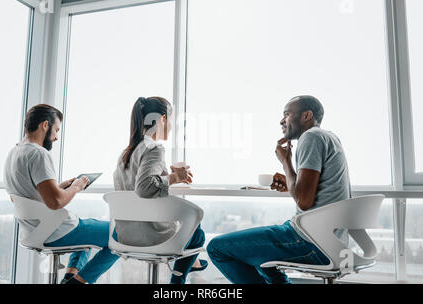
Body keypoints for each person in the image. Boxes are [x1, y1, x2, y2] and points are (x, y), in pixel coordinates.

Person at [206, 95, 352, 284]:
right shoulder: (330, 137)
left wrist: (285, 162)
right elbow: (314, 190)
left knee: (216, 248)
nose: (281, 120)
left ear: (307, 115)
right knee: (258, 255)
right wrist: (291, 181)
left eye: (287, 114)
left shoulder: (310, 137)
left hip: (311, 241)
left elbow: (304, 201)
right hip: (333, 242)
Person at [4, 104, 119, 284]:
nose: (56, 136)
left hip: (32, 231)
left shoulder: (14, 152)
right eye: (56, 129)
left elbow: (21, 195)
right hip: (54, 230)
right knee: (120, 235)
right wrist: (77, 187)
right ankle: (77, 282)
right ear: (44, 125)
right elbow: (56, 202)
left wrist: (59, 186)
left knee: (88, 227)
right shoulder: (38, 154)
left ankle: (68, 277)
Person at [113, 96, 207, 284]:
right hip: (150, 236)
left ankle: (190, 264)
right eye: (171, 120)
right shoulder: (154, 148)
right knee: (198, 234)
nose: (172, 126)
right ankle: (177, 282)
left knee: (189, 233)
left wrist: (164, 172)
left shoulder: (127, 152)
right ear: (163, 119)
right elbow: (144, 187)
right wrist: (174, 178)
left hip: (124, 235)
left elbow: (135, 185)